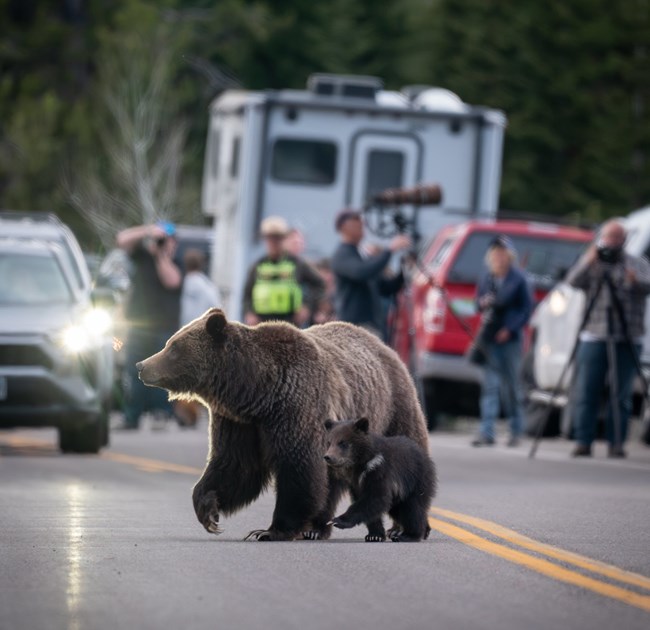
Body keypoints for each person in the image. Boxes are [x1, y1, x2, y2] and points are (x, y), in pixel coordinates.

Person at [566, 219, 650, 458]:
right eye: (608, 236)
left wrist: (635, 281)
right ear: (601, 237)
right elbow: (572, 282)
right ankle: (583, 440)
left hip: (627, 334)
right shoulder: (593, 261)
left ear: (624, 239)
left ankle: (616, 443)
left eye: (617, 237)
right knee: (587, 389)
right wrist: (589, 260)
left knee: (620, 393)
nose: (612, 242)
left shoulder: (636, 262)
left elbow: (648, 285)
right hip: (594, 333)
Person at [116, 221, 182, 430]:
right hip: (139, 325)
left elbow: (171, 281)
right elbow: (122, 239)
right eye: (162, 240)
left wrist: (161, 256)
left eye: (168, 240)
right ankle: (132, 416)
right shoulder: (142, 257)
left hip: (164, 328)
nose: (164, 243)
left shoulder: (176, 263)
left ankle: (161, 414)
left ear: (174, 243)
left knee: (162, 373)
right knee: (134, 372)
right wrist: (147, 231)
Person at [472, 235, 533, 447]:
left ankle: (516, 430)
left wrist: (510, 328)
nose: (499, 257)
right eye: (495, 253)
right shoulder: (487, 278)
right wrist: (483, 302)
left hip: (510, 340)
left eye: (502, 253)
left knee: (511, 387)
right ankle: (486, 432)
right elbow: (477, 304)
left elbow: (526, 309)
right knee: (489, 386)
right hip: (489, 337)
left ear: (510, 256)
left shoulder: (519, 279)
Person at [330, 208, 410, 339]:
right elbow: (360, 272)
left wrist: (403, 270)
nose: (362, 223)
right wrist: (389, 251)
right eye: (356, 219)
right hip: (354, 328)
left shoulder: (360, 255)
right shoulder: (342, 255)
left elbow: (386, 288)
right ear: (343, 226)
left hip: (371, 326)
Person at [243, 216, 326, 326]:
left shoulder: (297, 263)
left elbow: (319, 284)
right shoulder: (258, 265)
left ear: (284, 239)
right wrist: (249, 313)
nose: (274, 242)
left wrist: (307, 306)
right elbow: (247, 294)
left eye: (277, 238)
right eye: (270, 238)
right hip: (261, 324)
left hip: (290, 323)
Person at [180, 248, 220, 326]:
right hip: (201, 327)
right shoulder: (207, 285)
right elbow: (216, 306)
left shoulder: (184, 282)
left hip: (184, 328)